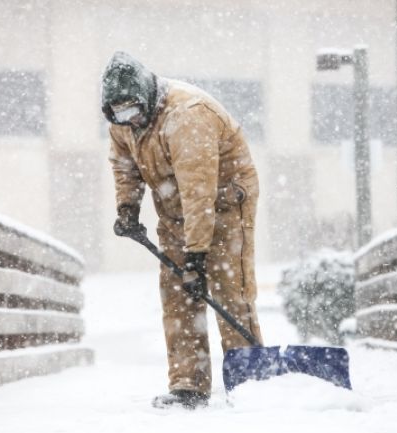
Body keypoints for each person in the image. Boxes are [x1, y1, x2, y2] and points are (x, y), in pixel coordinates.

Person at [101, 52, 264, 409]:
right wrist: (127, 208)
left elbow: (199, 192)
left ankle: (251, 378)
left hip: (223, 201)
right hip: (174, 209)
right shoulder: (123, 122)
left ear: (145, 97)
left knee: (227, 290)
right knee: (177, 294)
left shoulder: (186, 116)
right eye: (120, 114)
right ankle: (189, 384)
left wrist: (197, 257)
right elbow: (124, 165)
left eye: (132, 110)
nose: (128, 119)